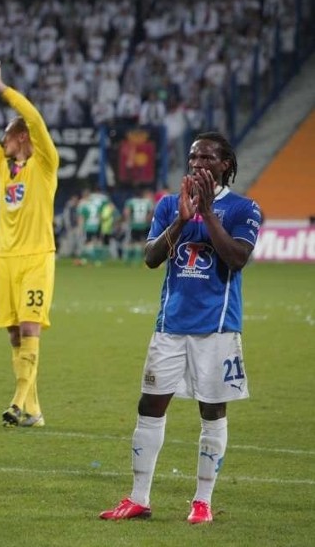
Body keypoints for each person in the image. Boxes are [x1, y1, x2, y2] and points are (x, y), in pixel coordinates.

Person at [100, 131, 262, 525]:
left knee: (212, 410)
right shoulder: (170, 204)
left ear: (225, 164)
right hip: (170, 326)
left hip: (217, 329)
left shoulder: (244, 208)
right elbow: (151, 257)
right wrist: (182, 219)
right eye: (193, 158)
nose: (197, 164)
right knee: (149, 405)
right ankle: (139, 497)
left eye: (206, 158)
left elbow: (237, 259)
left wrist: (207, 213)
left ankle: (202, 502)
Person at [0, 51, 59, 428]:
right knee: (12, 333)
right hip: (4, 259)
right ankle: (34, 411)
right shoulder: (4, 166)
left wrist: (3, 86)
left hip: (37, 257)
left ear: (20, 137)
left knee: (29, 327)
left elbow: (35, 118)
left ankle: (19, 401)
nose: (0, 141)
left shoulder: (45, 164)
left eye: (6, 135)